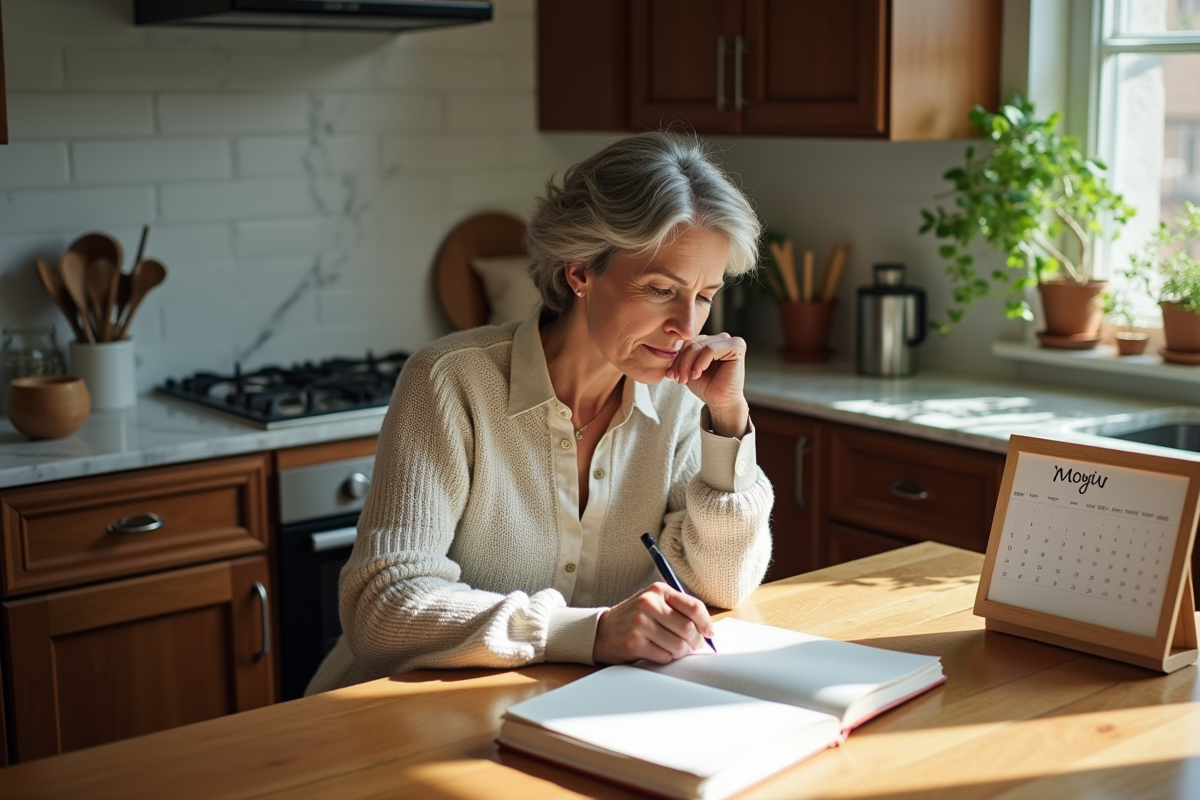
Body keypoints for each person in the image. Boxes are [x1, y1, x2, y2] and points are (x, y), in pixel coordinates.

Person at [305, 131, 774, 695]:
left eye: (703, 296)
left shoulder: (682, 397)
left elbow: (721, 586)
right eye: (658, 288)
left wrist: (728, 422)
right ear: (579, 272)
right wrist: (590, 631)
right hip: (395, 714)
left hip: (572, 708)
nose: (686, 326)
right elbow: (381, 609)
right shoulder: (450, 383)